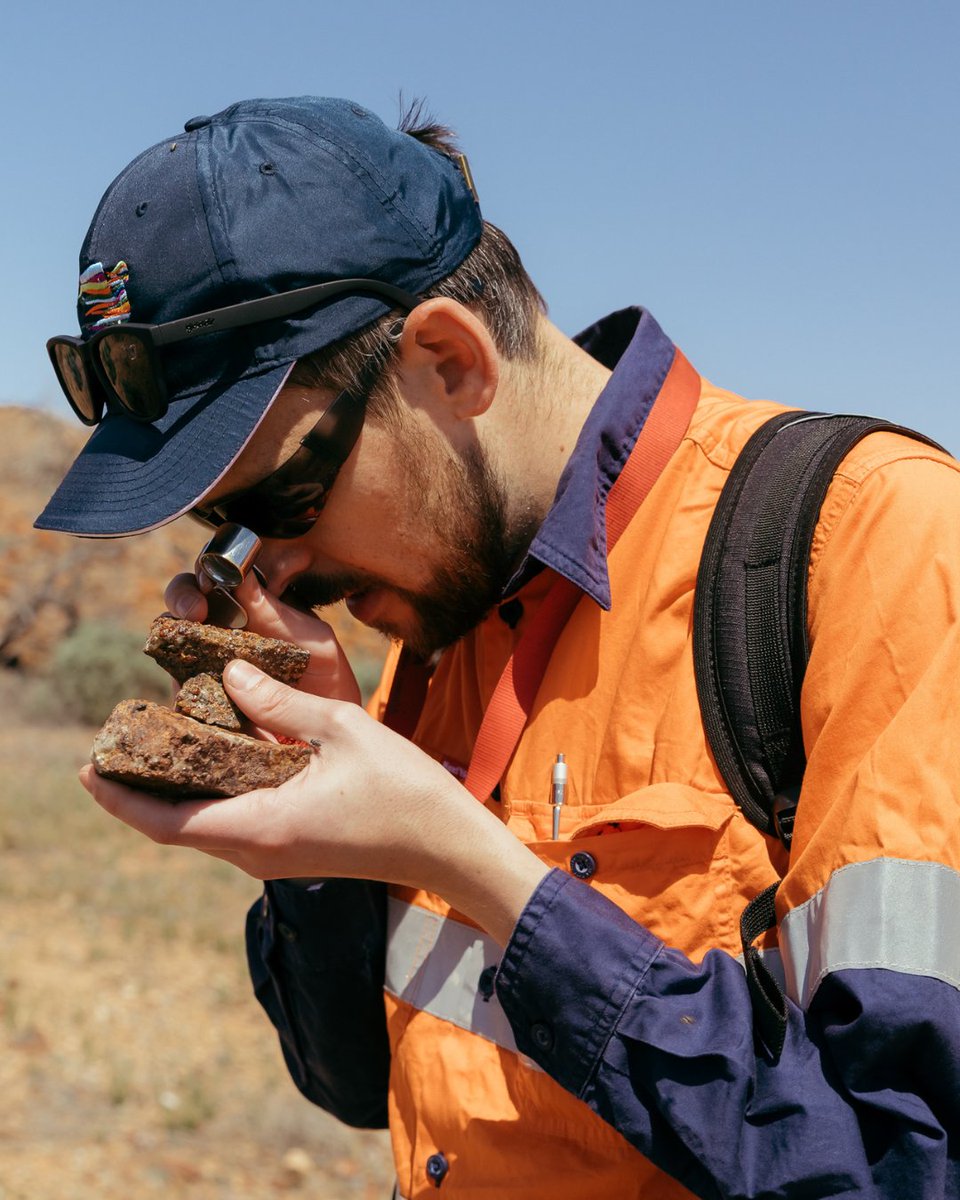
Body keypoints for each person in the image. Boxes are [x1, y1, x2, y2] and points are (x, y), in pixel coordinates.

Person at [38, 96, 959, 1199]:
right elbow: (356, 1081)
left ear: (450, 361)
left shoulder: (877, 546)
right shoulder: (439, 616)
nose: (275, 568)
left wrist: (477, 873)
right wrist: (317, 844)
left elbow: (909, 1165)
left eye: (285, 497)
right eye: (223, 528)